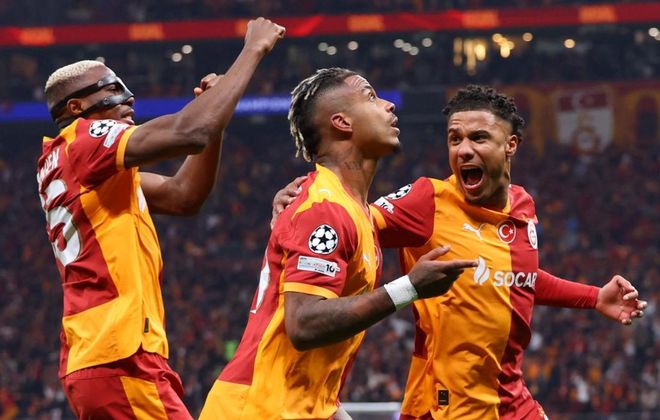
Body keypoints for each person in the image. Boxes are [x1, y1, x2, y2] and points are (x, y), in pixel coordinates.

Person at [272, 85, 647, 419]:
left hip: (512, 402)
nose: (464, 150)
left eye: (479, 138)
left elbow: (516, 277)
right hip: (446, 408)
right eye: (455, 139)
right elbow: (351, 221)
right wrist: (307, 203)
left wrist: (593, 297)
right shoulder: (427, 201)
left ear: (510, 145)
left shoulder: (523, 205)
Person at [36, 17, 285, 419]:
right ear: (76, 107)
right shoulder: (83, 141)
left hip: (102, 355)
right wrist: (252, 50)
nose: (127, 98)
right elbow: (191, 131)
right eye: (111, 89)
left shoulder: (81, 165)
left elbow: (183, 195)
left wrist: (216, 124)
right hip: (119, 354)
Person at [199, 68, 477, 420]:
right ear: (342, 122)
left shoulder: (355, 212)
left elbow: (310, 374)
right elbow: (304, 325)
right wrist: (410, 288)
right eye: (371, 97)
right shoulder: (324, 208)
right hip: (257, 408)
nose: (389, 105)